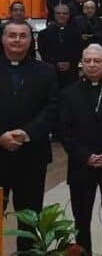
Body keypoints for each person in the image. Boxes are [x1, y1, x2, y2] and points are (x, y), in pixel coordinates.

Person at [59, 44, 102, 256]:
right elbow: (64, 132)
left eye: (97, 60)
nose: (91, 64)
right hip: (81, 166)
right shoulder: (68, 93)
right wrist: (86, 156)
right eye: (87, 60)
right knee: (82, 220)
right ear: (81, 63)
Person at [0, 21, 58, 251]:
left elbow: (53, 109)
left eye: (22, 36)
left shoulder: (46, 71)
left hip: (32, 156)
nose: (17, 40)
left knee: (30, 220)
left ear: (30, 40)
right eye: (12, 35)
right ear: (3, 39)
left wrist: (27, 133)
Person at [37, 4, 82, 89]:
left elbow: (79, 51)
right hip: (51, 72)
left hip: (71, 73)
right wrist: (56, 63)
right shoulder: (44, 33)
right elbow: (43, 52)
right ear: (54, 15)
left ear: (68, 16)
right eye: (58, 13)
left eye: (65, 13)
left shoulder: (76, 33)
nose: (61, 15)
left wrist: (70, 63)